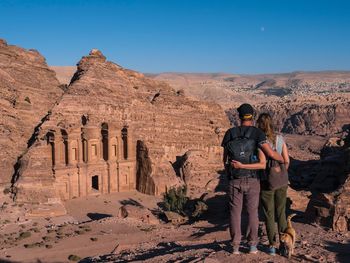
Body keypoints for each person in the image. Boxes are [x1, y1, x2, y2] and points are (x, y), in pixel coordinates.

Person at [221, 103, 285, 255]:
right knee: (252, 213)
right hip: (253, 179)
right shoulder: (257, 134)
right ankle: (252, 246)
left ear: (239, 116)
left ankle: (235, 246)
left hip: (234, 178)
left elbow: (224, 160)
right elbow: (269, 153)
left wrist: (231, 172)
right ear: (252, 116)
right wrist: (282, 159)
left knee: (235, 213)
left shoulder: (230, 133)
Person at [256, 113, 290, 256]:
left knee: (269, 214)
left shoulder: (260, 142)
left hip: (266, 183)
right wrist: (280, 173)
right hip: (282, 181)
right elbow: (287, 160)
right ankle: (284, 246)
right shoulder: (280, 139)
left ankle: (271, 246)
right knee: (281, 213)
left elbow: (262, 164)